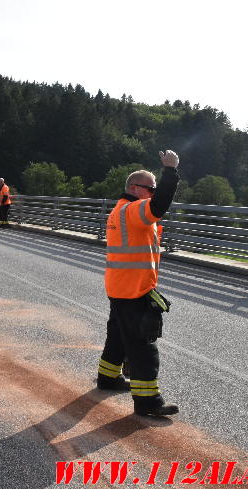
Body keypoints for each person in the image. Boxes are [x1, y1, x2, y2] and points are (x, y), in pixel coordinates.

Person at [97, 150, 181, 417]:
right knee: (143, 345)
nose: (154, 192)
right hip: (133, 288)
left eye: (156, 188)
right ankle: (148, 401)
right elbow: (159, 207)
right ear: (135, 188)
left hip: (120, 286)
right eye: (151, 188)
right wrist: (170, 171)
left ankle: (108, 378)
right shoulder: (133, 209)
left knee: (118, 336)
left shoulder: (120, 210)